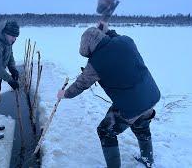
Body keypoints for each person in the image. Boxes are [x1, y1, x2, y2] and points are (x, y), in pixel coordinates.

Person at [57, 23, 160, 168]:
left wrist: (65, 93)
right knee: (141, 124)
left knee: (105, 131)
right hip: (150, 95)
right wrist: (107, 30)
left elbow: (80, 85)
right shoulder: (126, 41)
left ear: (89, 48)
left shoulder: (95, 63)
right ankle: (147, 160)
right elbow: (113, 36)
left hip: (131, 105)